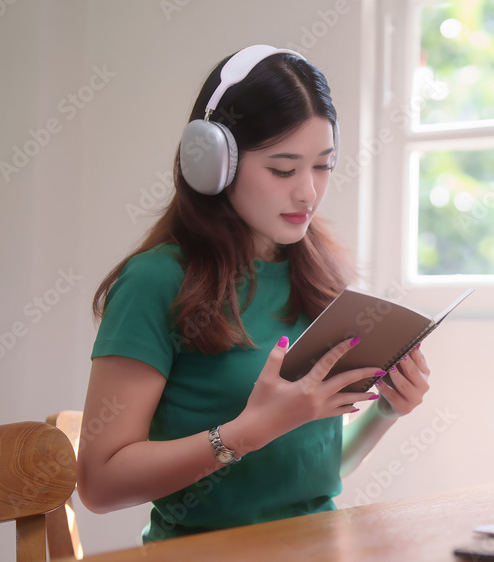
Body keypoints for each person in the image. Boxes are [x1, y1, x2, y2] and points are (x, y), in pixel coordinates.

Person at [77, 46, 431, 543]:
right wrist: (249, 432)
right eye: (283, 170)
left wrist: (387, 410)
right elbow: (99, 483)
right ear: (213, 163)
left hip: (320, 547)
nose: (308, 192)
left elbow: (318, 471)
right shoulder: (155, 282)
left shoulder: (321, 276)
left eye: (323, 166)